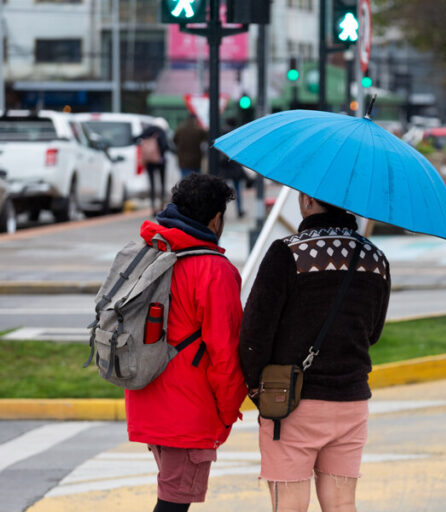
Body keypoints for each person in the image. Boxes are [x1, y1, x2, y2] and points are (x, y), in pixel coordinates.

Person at [240, 196, 390, 512]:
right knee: (342, 504)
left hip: (291, 403)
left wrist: (256, 387)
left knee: (290, 506)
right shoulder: (375, 259)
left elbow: (255, 332)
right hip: (351, 400)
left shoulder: (288, 253)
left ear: (307, 200)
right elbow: (373, 333)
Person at [124, 174, 246, 512]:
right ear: (216, 219)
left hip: (145, 394)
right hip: (188, 410)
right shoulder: (214, 270)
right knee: (173, 505)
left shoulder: (149, 252)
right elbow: (225, 353)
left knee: (172, 499)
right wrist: (226, 413)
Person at [137, 125, 171, 215]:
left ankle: (153, 207)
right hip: (160, 162)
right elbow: (165, 146)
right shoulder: (161, 132)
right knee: (162, 184)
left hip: (149, 162)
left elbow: (136, 138)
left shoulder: (147, 131)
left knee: (152, 185)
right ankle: (161, 206)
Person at [217, 118, 247, 218]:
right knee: (238, 190)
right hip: (235, 167)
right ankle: (239, 210)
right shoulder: (236, 134)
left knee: (222, 191)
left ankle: (221, 212)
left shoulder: (221, 133)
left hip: (225, 167)